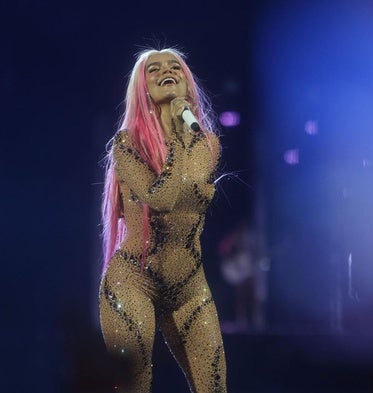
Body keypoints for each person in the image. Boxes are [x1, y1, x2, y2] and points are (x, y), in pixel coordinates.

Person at [99, 48, 227, 393]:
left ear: (188, 83)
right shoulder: (126, 145)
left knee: (213, 386)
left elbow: (185, 189)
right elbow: (163, 198)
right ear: (142, 89)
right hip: (133, 281)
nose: (166, 72)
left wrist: (183, 134)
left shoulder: (207, 144)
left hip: (189, 285)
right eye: (153, 70)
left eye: (175, 68)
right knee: (134, 385)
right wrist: (178, 137)